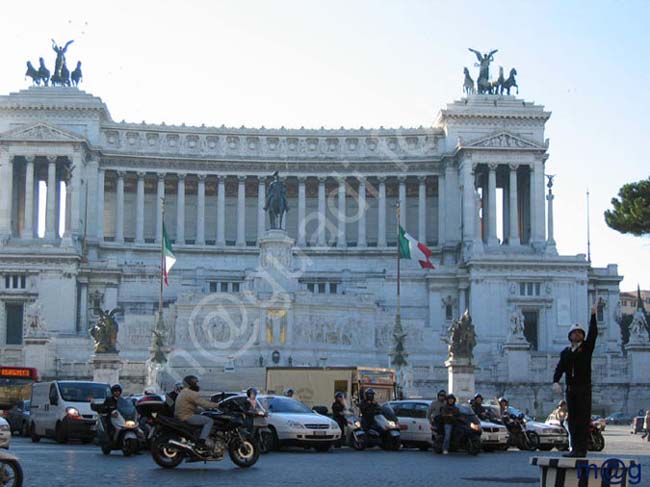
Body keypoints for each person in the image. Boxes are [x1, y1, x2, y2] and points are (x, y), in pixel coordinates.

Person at [553, 301, 600, 458]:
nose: (577, 335)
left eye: (580, 333)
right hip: (571, 390)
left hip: (584, 388)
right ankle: (574, 448)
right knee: (572, 420)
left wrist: (593, 314)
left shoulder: (586, 348)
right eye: (575, 333)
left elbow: (593, 333)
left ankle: (582, 449)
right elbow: (560, 367)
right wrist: (555, 381)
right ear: (570, 335)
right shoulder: (565, 352)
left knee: (583, 419)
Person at [174, 375, 220, 448]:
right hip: (186, 416)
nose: (197, 385)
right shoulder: (191, 393)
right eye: (196, 383)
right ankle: (202, 440)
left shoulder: (184, 392)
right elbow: (204, 403)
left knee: (203, 417)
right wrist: (217, 405)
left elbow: (191, 406)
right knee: (209, 421)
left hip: (180, 415)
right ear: (192, 384)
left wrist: (202, 410)